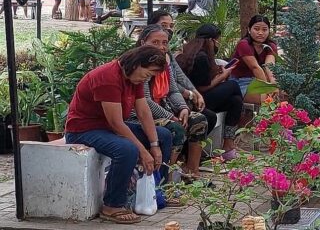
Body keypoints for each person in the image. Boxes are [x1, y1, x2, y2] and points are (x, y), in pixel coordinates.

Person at [64, 46, 174, 224]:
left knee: (164, 136)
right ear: (137, 64)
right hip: (83, 130)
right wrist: (143, 152)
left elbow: (144, 112)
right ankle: (112, 205)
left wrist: (154, 145)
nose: (148, 78)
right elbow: (116, 123)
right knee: (127, 149)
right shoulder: (107, 77)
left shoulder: (133, 78)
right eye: (148, 73)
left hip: (107, 127)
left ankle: (157, 192)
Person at [135, 25, 210, 180]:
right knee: (176, 129)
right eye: (155, 42)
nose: (161, 47)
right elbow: (145, 101)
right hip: (140, 115)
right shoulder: (139, 64)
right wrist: (170, 116)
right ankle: (167, 180)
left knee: (198, 119)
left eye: (164, 43)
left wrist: (182, 108)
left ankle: (191, 171)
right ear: (143, 42)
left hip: (164, 107)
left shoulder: (165, 61)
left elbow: (173, 90)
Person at [176, 24, 245, 161]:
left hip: (200, 96)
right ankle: (238, 129)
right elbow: (202, 87)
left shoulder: (192, 50)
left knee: (235, 100)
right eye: (217, 40)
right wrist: (224, 76)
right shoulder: (201, 57)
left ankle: (228, 144)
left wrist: (217, 72)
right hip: (196, 99)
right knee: (233, 86)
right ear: (211, 40)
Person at [230, 15, 278, 104]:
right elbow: (255, 68)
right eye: (256, 29)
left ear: (268, 31)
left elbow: (270, 66)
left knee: (282, 94)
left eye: (264, 29)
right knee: (265, 100)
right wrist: (268, 88)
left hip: (259, 80)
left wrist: (273, 83)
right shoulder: (243, 44)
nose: (260, 33)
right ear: (249, 30)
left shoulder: (271, 46)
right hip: (240, 81)